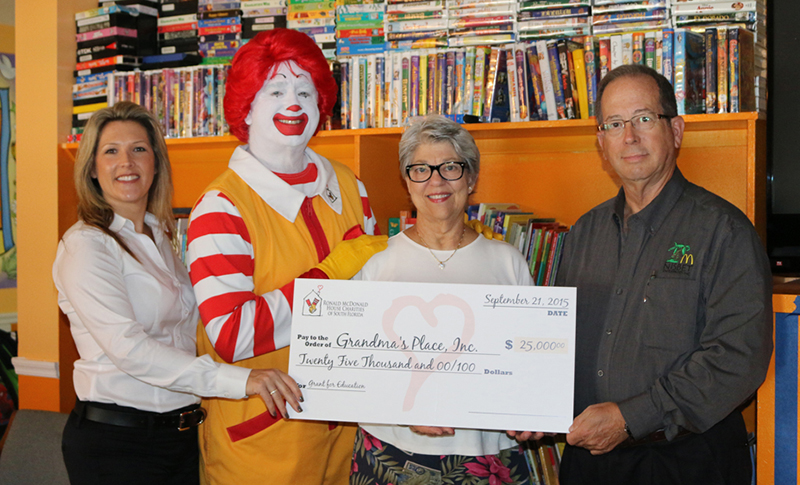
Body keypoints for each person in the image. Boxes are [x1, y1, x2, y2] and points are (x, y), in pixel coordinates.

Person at [522, 65, 773, 484]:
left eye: (643, 119)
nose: (630, 137)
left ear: (675, 130)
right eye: (615, 124)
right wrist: (532, 404)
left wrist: (630, 418)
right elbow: (556, 344)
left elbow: (737, 358)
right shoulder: (584, 233)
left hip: (687, 462)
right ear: (601, 142)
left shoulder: (724, 232)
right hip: (592, 466)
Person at [53, 101, 304, 485]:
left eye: (139, 149)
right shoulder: (85, 245)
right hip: (118, 445)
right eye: (111, 151)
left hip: (181, 437)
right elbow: (129, 349)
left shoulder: (161, 236)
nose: (127, 162)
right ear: (91, 168)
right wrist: (242, 381)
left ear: (155, 162)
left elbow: (194, 331)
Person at [185, 29, 387, 484]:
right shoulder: (221, 206)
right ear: (247, 108)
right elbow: (232, 335)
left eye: (305, 90)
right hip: (264, 447)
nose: (293, 103)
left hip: (348, 437)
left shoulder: (350, 185)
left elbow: (375, 307)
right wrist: (331, 279)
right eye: (274, 90)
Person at [349, 114, 535, 485]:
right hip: (390, 453)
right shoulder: (375, 263)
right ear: (407, 181)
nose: (436, 180)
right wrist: (402, 408)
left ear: (472, 178)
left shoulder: (508, 262)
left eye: (450, 167)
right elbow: (352, 369)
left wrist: (531, 409)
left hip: (486, 455)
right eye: (420, 169)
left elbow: (530, 362)